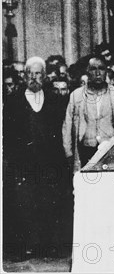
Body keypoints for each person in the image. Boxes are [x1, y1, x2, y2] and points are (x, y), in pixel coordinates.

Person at [3, 57, 69, 259]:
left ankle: (47, 246)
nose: (34, 77)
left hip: (49, 163)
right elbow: (8, 133)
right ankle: (21, 248)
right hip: (23, 163)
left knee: (48, 203)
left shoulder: (53, 99)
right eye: (30, 73)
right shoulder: (14, 100)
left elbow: (60, 130)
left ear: (44, 75)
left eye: (38, 73)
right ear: (24, 76)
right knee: (23, 204)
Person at [62, 56, 114, 171]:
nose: (97, 73)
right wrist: (68, 153)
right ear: (87, 71)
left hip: (112, 150)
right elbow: (67, 125)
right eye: (93, 69)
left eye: (101, 69)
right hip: (86, 150)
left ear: (106, 71)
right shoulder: (76, 95)